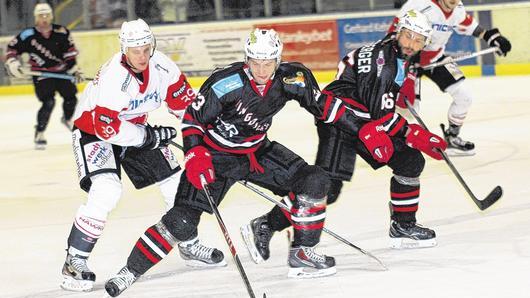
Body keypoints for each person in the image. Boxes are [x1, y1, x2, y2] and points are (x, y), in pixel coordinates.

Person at [103, 27, 340, 297]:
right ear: (246, 59)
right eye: (256, 63)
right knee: (181, 223)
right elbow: (193, 119)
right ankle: (129, 272)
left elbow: (323, 106)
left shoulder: (290, 77)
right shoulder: (225, 81)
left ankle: (301, 252)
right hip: (215, 156)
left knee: (315, 181)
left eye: (268, 63)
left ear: (278, 60)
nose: (262, 71)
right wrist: (195, 152)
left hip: (256, 152)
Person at [242, 10, 448, 265]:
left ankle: (403, 225)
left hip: (364, 120)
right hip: (339, 120)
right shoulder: (384, 63)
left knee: (410, 161)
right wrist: (414, 134)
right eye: (408, 36)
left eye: (418, 40)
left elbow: (376, 110)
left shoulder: (391, 53)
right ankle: (266, 224)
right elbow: (380, 116)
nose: (411, 44)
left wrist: (410, 133)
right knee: (326, 186)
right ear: (399, 31)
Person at [60, 18, 225, 293]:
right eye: (135, 50)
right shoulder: (115, 77)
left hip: (134, 128)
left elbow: (185, 107)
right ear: (124, 49)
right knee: (106, 191)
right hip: (94, 132)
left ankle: (187, 241)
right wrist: (148, 137)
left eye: (146, 48)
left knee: (178, 182)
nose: (142, 56)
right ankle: (74, 261)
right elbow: (107, 128)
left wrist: (206, 140)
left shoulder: (163, 67)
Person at [388, 0, 511, 156]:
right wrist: (403, 60)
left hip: (436, 58)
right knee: (409, 110)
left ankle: (452, 138)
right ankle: (391, 139)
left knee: (464, 96)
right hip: (409, 59)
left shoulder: (458, 8)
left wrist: (490, 36)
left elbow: (469, 24)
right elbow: (394, 32)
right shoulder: (418, 4)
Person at [4, 3, 84, 150]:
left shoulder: (61, 31)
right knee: (48, 102)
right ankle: (39, 132)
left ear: (51, 16)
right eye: (41, 15)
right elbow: (12, 48)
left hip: (61, 72)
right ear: (36, 17)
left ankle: (67, 119)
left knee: (71, 98)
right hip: (41, 73)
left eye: (47, 15)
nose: (44, 18)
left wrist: (74, 69)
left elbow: (70, 53)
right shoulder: (28, 35)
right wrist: (12, 61)